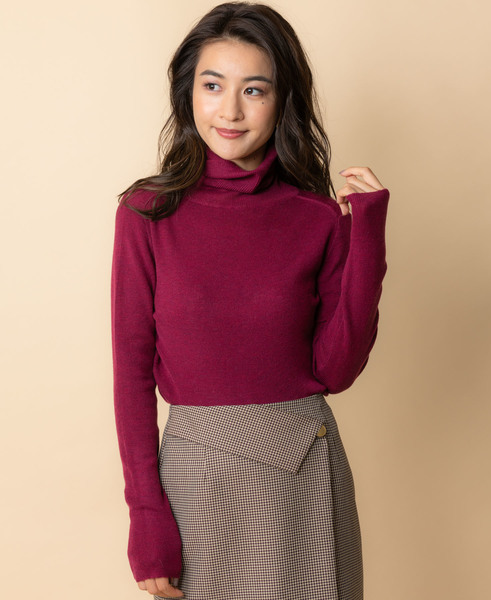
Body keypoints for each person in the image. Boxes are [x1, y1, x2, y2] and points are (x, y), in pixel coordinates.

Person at [111, 3, 390, 599]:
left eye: (254, 90)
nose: (230, 111)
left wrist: (367, 236)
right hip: (196, 478)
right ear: (188, 93)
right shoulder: (146, 214)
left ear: (282, 100)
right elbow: (131, 371)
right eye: (212, 86)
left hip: (306, 470)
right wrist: (146, 515)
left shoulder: (318, 218)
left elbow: (335, 371)